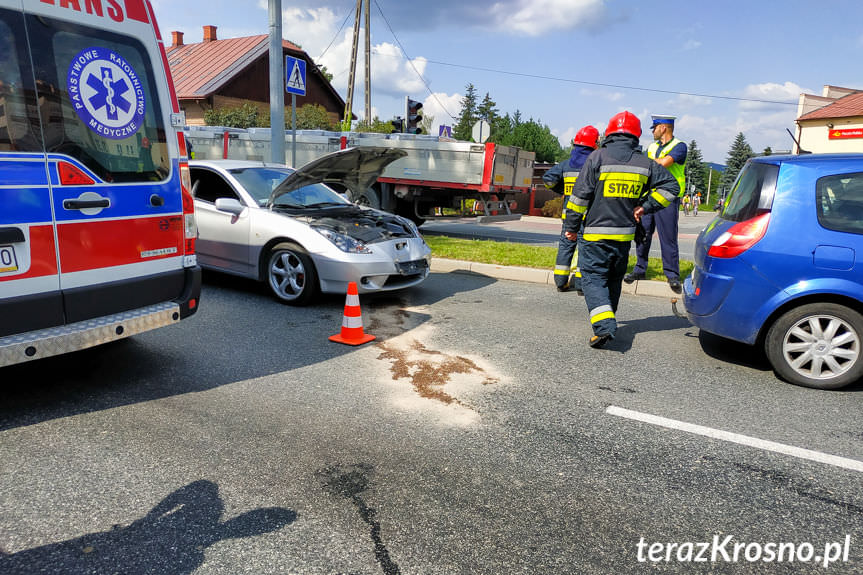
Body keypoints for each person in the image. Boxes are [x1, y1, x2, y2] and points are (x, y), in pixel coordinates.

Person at [564, 111, 680, 348]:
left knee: (593, 279)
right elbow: (672, 186)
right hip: (624, 237)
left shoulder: (597, 157)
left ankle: (605, 325)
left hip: (595, 235)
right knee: (614, 279)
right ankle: (609, 318)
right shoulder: (645, 162)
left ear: (610, 133)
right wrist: (646, 207)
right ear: (636, 136)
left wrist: (571, 227)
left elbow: (579, 198)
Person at [624, 114, 687, 293]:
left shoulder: (679, 146)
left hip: (667, 198)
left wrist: (647, 163)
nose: (652, 131)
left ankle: (672, 274)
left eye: (655, 127)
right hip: (649, 197)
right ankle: (639, 269)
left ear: (664, 128)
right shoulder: (652, 147)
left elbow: (663, 164)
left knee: (668, 237)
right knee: (642, 234)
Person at [542, 125, 599, 293]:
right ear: (594, 145)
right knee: (585, 248)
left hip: (568, 215)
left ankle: (560, 282)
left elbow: (548, 179)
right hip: (587, 215)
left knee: (566, 246)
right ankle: (581, 286)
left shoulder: (566, 164)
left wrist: (563, 190)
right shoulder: (595, 164)